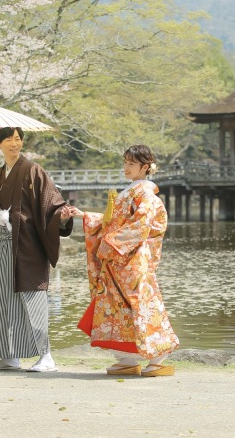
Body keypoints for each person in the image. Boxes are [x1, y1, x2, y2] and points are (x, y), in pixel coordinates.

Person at [67, 145, 180, 377]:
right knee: (118, 307)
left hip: (133, 259)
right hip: (119, 258)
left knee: (141, 305)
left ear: (145, 167)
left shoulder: (146, 195)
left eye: (131, 164)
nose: (126, 168)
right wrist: (86, 216)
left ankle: (159, 356)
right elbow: (112, 222)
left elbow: (140, 227)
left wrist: (112, 244)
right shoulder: (130, 191)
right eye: (125, 162)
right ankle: (128, 358)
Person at [0, 126, 76, 372]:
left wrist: (60, 215)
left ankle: (46, 355)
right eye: (8, 139)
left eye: (18, 139)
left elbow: (51, 203)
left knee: (32, 298)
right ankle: (9, 355)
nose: (14, 143)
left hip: (27, 246)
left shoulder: (32, 170)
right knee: (3, 298)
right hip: (2, 248)